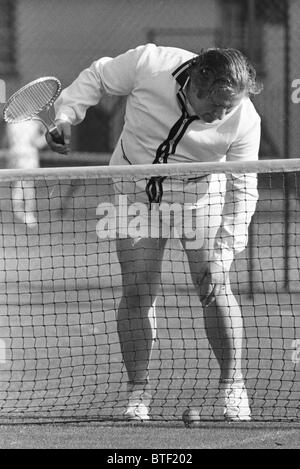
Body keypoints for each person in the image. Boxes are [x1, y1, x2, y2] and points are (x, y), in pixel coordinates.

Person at [46, 43, 262, 422]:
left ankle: (233, 387)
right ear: (197, 82)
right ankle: (138, 394)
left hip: (199, 198)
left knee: (214, 284)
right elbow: (98, 75)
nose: (223, 114)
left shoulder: (244, 119)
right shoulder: (150, 63)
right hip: (132, 196)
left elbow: (245, 186)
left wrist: (225, 252)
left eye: (231, 106)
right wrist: (66, 116)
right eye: (218, 104)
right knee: (137, 287)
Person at [6, 120, 46, 227]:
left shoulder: (11, 123)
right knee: (28, 187)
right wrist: (47, 135)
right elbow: (38, 143)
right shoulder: (33, 123)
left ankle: (18, 210)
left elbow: (9, 141)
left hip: (15, 155)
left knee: (19, 184)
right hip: (29, 158)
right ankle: (28, 215)